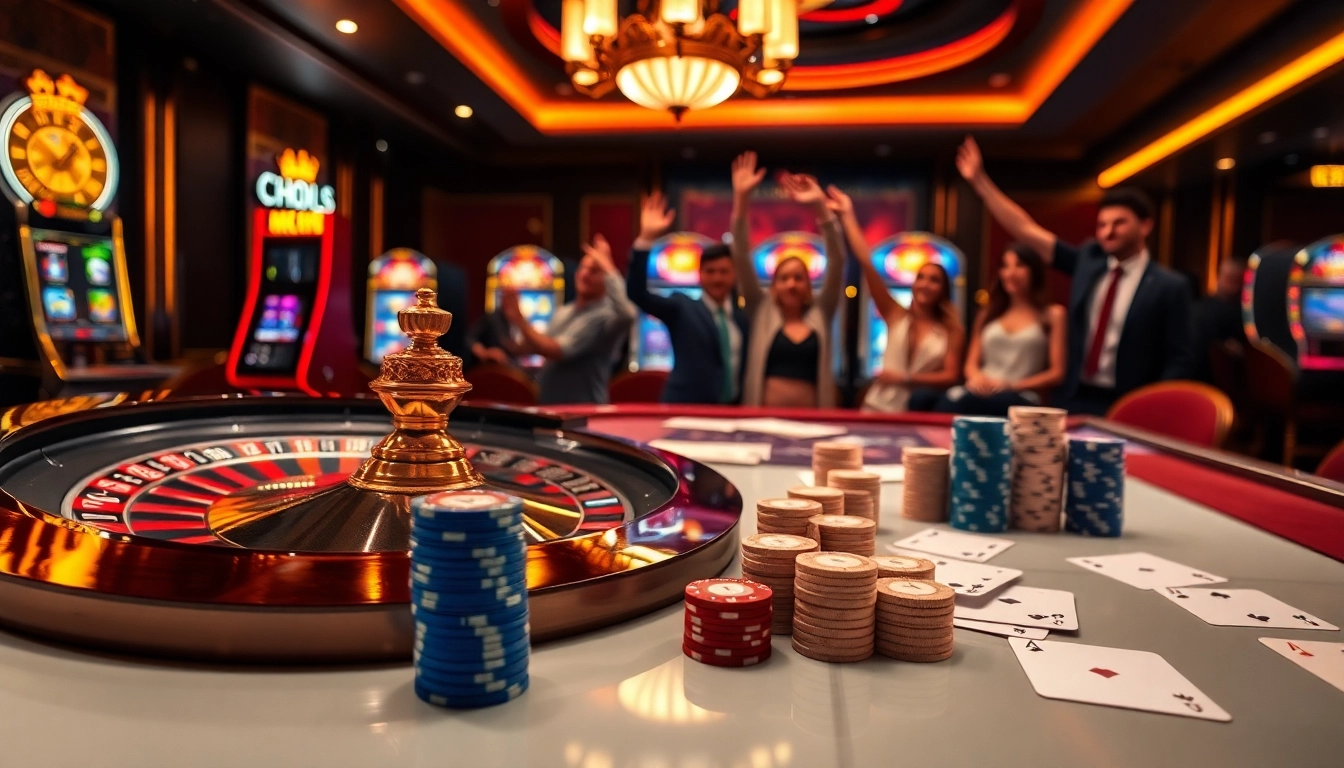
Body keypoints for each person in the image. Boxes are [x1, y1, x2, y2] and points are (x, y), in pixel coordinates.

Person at [956, 136, 1194, 415]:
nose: (1107, 231)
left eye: (1119, 223)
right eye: (1102, 224)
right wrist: (980, 183)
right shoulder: (1088, 261)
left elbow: (1180, 360)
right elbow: (1026, 230)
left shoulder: (1169, 286)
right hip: (1074, 398)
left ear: (1145, 226)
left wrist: (1155, 407)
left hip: (1129, 403)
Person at [827, 185, 965, 412]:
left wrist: (905, 378)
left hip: (918, 410)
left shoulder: (951, 328)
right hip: (877, 406)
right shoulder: (896, 314)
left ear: (943, 289)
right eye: (921, 278)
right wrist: (847, 215)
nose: (925, 284)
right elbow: (867, 263)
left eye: (934, 280)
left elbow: (951, 376)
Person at [729, 152, 844, 408]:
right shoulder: (760, 309)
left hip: (813, 422)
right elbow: (740, 254)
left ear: (807, 285)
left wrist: (820, 206)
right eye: (783, 278)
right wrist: (741, 198)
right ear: (774, 286)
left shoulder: (821, 312)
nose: (791, 284)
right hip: (763, 419)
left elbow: (837, 261)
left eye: (798, 278)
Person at [626, 192, 750, 404]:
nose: (717, 278)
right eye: (710, 272)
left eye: (723, 271)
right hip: (684, 409)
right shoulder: (681, 307)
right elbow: (637, 294)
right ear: (700, 275)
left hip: (731, 412)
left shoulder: (742, 318)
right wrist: (645, 240)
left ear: (734, 274)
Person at [502, 235, 635, 405]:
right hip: (550, 406)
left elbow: (557, 351)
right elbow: (540, 346)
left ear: (606, 279)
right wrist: (506, 342)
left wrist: (521, 321)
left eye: (595, 271)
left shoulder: (604, 316)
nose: (585, 274)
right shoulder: (564, 311)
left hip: (584, 412)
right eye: (583, 268)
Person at [936, 243, 1067, 415]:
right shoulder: (988, 313)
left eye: (1019, 265)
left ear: (1034, 271)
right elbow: (971, 365)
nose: (1011, 273)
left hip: (1021, 394)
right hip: (981, 390)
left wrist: (1012, 385)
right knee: (945, 401)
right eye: (1005, 266)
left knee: (998, 402)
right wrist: (977, 379)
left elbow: (1057, 373)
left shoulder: (1053, 314)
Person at [1190, 256, 1249, 383]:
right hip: (1207, 381)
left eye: (1233, 278)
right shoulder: (1199, 308)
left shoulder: (1243, 313)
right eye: (1227, 277)